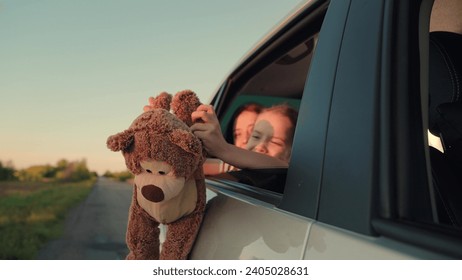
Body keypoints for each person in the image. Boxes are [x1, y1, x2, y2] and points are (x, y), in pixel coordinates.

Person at [191, 103, 298, 171]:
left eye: (275, 142)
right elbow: (201, 167)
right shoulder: (233, 169)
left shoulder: (289, 174)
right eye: (256, 136)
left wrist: (222, 148)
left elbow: (280, 167)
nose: (260, 146)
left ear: (291, 154)